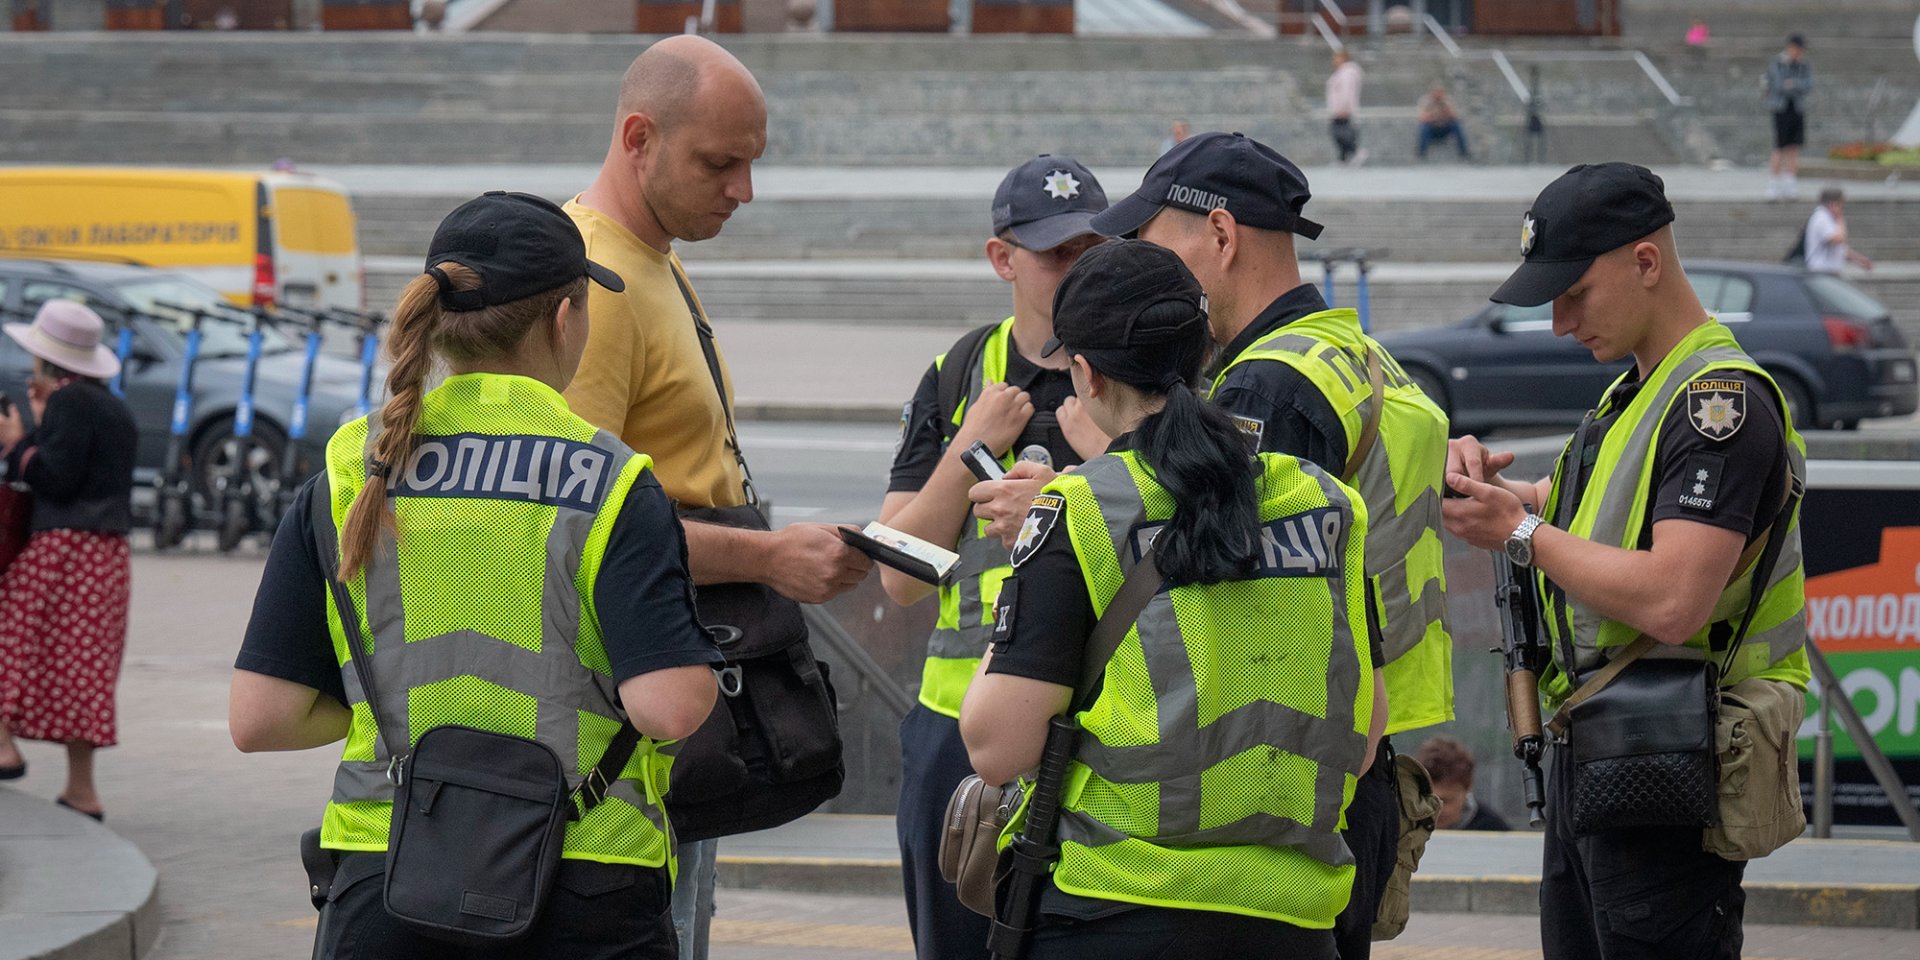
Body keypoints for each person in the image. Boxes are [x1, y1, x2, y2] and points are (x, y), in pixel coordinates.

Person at [230, 191, 724, 959]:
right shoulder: (608, 481)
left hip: (384, 878)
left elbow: (260, 718)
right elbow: (669, 706)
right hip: (584, 886)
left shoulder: (349, 470)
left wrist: (381, 712)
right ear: (566, 319)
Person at [959, 239, 1383, 960]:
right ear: (1203, 352)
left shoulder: (1083, 507)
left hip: (1114, 913)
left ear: (1085, 375)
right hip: (1295, 923)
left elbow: (997, 747)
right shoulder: (1325, 502)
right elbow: (1364, 740)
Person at [1093, 130, 1454, 960]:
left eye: (1152, 243)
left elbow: (1234, 589)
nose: (1146, 268)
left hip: (1297, 767)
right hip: (1358, 743)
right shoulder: (1356, 353)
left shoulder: (1265, 385)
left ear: (1218, 236)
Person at [1442, 162, 1811, 960]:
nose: (1560, 324)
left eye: (1574, 294)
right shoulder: (1636, 392)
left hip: (1669, 766)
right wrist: (1504, 495)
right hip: (1606, 755)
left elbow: (1676, 598)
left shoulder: (1721, 406)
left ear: (1645, 263)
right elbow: (1589, 513)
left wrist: (1515, 532)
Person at [561, 36, 873, 959]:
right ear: (638, 137)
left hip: (672, 692)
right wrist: (769, 558)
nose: (743, 190)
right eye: (719, 163)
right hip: (633, 718)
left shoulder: (651, 256)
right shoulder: (598, 279)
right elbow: (579, 524)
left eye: (752, 163)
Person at [878, 153, 1110, 960]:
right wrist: (968, 448)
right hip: (961, 726)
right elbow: (898, 578)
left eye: (1091, 249)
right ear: (1001, 257)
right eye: (1055, 254)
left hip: (1108, 720)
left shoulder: (1138, 373)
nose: (1074, 270)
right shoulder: (959, 375)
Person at [0, 300, 137, 820]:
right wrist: (37, 427)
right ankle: (82, 790)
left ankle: (4, 746)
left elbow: (55, 477)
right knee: (84, 667)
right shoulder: (109, 405)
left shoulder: (69, 403)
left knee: (10, 630)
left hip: (65, 549)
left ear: (46, 362)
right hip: (105, 553)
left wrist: (17, 445)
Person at [1413, 736, 1509, 831]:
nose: (1436, 810)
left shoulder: (1494, 831)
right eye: (1427, 801)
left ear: (1468, 787)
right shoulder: (1402, 825)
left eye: (1445, 801)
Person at [1765, 35, 1813, 202]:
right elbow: (1778, 85)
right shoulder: (1778, 63)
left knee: (1794, 147)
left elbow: (1808, 85)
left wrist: (1793, 84)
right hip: (1781, 108)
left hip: (1797, 108)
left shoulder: (1804, 65)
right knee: (1779, 147)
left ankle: (1790, 185)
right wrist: (1794, 85)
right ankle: (1773, 186)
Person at [1802, 187, 1873, 274]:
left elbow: (1839, 248)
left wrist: (1858, 259)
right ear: (1834, 204)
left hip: (1829, 272)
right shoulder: (1821, 217)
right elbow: (1838, 239)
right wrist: (1840, 218)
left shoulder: (1828, 218)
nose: (1843, 208)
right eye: (1841, 204)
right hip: (1821, 272)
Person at [1326, 50, 1366, 166]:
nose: (1334, 61)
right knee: (1340, 132)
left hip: (1342, 110)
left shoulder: (1346, 74)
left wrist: (1343, 108)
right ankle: (1343, 157)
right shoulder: (1341, 72)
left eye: (1336, 58)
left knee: (1342, 133)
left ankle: (1354, 152)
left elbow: (1346, 92)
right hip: (1338, 109)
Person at [1416, 84, 1470, 160]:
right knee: (1424, 128)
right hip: (1432, 129)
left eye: (1440, 92)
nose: (1438, 95)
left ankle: (1464, 153)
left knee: (1456, 126)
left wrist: (1445, 107)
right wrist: (1433, 115)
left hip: (1445, 128)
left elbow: (1455, 117)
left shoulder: (1448, 100)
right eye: (1436, 92)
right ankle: (1421, 154)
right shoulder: (1426, 101)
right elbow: (1422, 118)